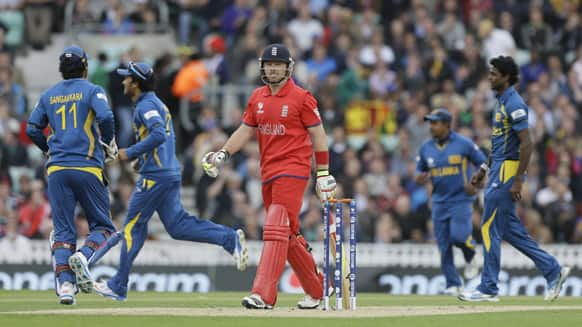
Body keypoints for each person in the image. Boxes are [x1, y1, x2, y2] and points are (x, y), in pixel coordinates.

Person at [92, 61, 248, 301]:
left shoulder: (146, 105)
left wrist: (130, 153)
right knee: (177, 226)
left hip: (157, 176)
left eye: (126, 78)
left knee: (133, 226)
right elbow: (165, 137)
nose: (123, 82)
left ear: (136, 82)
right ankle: (229, 239)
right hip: (165, 172)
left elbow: (158, 134)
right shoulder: (155, 104)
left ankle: (118, 284)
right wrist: (142, 160)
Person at [202, 44, 337, 310]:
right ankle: (319, 289)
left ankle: (263, 294)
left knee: (275, 223)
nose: (273, 68)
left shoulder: (302, 97)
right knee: (286, 234)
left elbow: (319, 137)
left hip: (294, 170)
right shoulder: (257, 96)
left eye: (278, 64)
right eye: (269, 64)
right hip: (268, 172)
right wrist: (223, 154)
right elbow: (244, 131)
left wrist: (322, 173)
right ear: (263, 67)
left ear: (289, 68)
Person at [459, 56, 571, 302]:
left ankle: (488, 287)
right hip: (498, 168)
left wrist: (519, 179)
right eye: (489, 73)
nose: (489, 77)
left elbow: (527, 143)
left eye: (494, 73)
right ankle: (553, 270)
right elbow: (500, 143)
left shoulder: (514, 103)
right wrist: (484, 170)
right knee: (509, 230)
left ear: (506, 77)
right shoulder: (501, 102)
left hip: (508, 172)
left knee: (488, 226)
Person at [26, 45, 118, 305]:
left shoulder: (48, 95)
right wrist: (108, 142)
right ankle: (85, 256)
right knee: (103, 227)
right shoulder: (93, 90)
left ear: (60, 69)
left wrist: (49, 151)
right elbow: (106, 116)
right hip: (87, 166)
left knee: (64, 231)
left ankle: (66, 287)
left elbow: (33, 128)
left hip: (57, 170)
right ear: (85, 67)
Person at [415, 108, 486, 296]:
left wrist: (476, 182)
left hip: (460, 199)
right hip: (438, 201)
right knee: (443, 245)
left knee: (459, 237)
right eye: (430, 122)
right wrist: (420, 178)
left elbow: (483, 163)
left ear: (447, 124)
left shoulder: (463, 144)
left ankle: (470, 255)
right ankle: (452, 283)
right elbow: (418, 171)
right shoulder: (426, 147)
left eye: (435, 122)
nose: (431, 126)